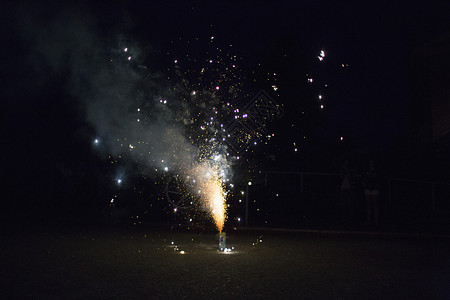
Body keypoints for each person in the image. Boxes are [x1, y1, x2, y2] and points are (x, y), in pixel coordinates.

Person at [362, 159, 381, 226]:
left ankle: (376, 221)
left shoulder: (377, 171)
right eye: (370, 162)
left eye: (372, 162)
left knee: (375, 205)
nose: (371, 164)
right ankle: (368, 220)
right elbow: (363, 179)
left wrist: (375, 185)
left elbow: (379, 180)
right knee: (368, 205)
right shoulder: (366, 170)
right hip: (367, 189)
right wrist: (365, 185)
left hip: (375, 189)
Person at [340, 159, 355, 224]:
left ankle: (350, 219)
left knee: (350, 204)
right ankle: (343, 218)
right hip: (343, 188)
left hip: (349, 189)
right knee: (343, 204)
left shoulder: (351, 169)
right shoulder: (342, 170)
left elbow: (350, 177)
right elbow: (340, 177)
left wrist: (346, 169)